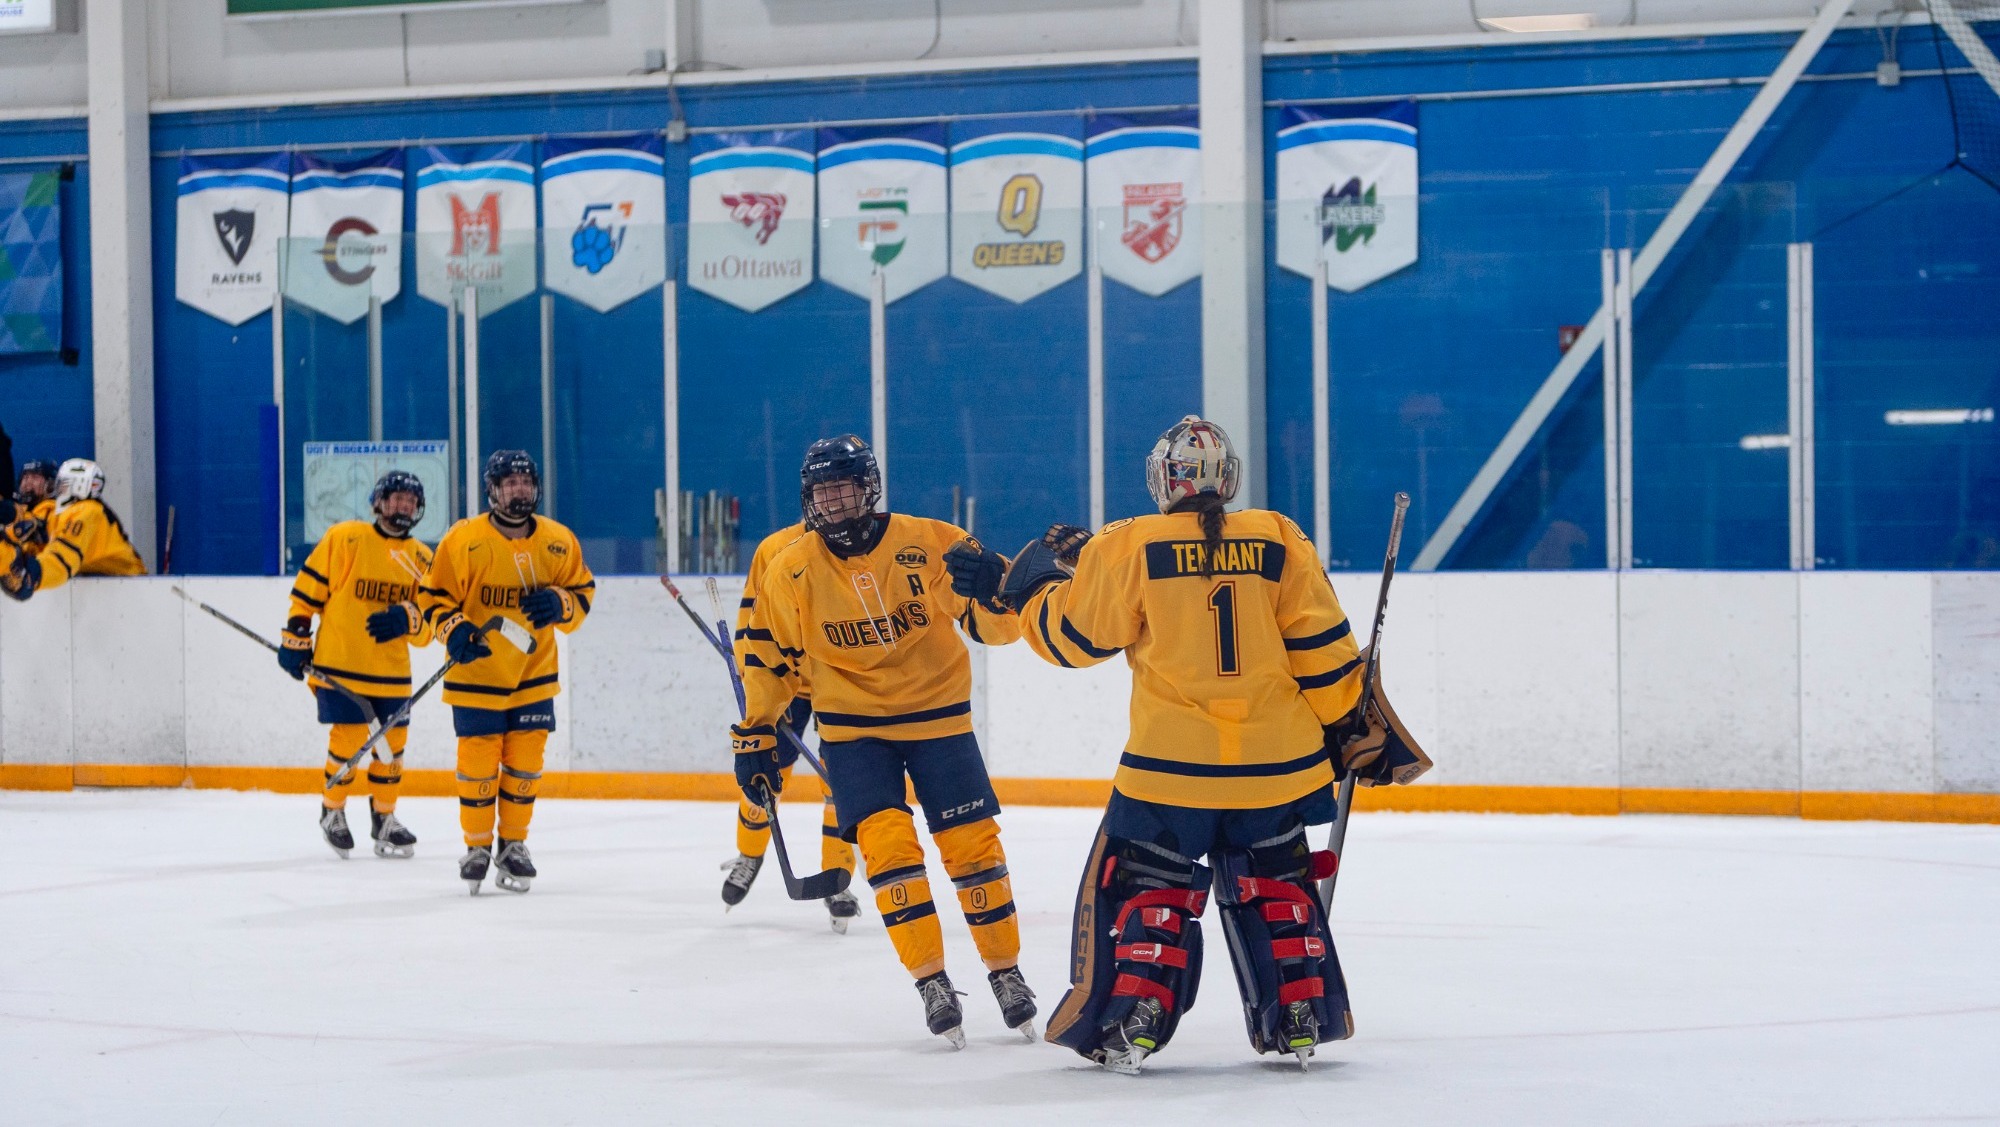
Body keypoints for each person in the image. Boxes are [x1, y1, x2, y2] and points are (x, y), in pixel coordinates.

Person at [946, 415, 1430, 1074]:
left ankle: (1138, 1014)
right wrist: (1351, 726)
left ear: (1163, 480)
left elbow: (1073, 640)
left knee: (1148, 890)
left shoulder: (1129, 542)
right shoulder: (1279, 535)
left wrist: (1029, 593)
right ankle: (1298, 1012)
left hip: (1170, 772)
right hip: (1278, 768)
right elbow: (1324, 658)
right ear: (1226, 478)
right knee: (1275, 885)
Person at [733, 435, 1037, 1048]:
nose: (834, 502)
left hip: (939, 720)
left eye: (844, 489)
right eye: (823, 492)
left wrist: (998, 591)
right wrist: (756, 733)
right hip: (853, 732)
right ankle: (931, 981)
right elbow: (768, 659)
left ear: (869, 488)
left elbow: (994, 628)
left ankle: (1005, 971)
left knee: (972, 846)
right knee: (888, 848)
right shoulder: (791, 568)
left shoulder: (932, 541)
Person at [416, 450, 594, 895]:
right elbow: (432, 596)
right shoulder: (464, 539)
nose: (519, 489)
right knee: (477, 767)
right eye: (509, 482)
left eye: (525, 481)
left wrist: (560, 602)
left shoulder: (558, 540)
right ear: (492, 490)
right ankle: (477, 847)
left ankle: (513, 844)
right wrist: (453, 629)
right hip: (476, 676)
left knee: (525, 768)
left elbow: (582, 593)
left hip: (534, 676)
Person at [280, 471, 435, 859]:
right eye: (396, 498)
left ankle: (385, 817)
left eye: (411, 501)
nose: (403, 506)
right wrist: (296, 638)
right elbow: (307, 593)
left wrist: (407, 618)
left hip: (392, 675)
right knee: (348, 742)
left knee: (392, 749)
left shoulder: (423, 559)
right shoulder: (344, 537)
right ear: (378, 502)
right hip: (340, 666)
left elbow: (429, 627)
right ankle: (332, 810)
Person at [720, 518, 861, 932]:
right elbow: (751, 621)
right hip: (788, 683)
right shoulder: (774, 547)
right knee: (764, 774)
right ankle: (749, 854)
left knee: (840, 786)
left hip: (845, 682)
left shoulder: (864, 543)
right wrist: (760, 689)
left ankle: (838, 877)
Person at [4, 459, 146, 601]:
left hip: (127, 585)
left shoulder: (87, 511)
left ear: (79, 484)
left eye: (63, 483)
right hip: (107, 583)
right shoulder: (67, 512)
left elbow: (62, 557)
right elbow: (37, 535)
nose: (58, 488)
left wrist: (34, 576)